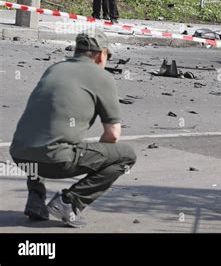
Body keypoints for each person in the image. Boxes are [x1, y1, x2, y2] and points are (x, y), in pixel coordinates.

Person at [10, 27, 136, 228]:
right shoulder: (102, 77)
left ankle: (36, 196)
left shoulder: (54, 69)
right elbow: (112, 135)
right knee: (126, 155)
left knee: (43, 135)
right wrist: (97, 158)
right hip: (56, 160)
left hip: (20, 154)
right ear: (102, 54)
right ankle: (69, 202)